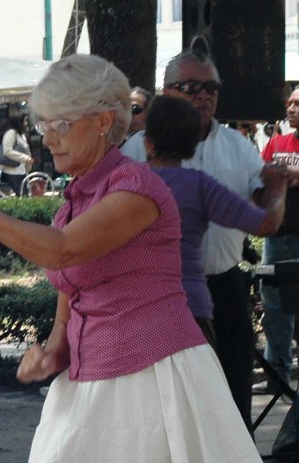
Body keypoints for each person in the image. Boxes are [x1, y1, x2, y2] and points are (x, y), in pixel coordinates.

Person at [0, 54, 260, 462]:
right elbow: (70, 293)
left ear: (102, 121)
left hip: (153, 376)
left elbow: (62, 249)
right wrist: (52, 352)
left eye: (60, 123)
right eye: (43, 125)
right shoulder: (77, 198)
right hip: (91, 380)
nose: (48, 138)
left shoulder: (138, 188)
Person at [121, 49, 266, 429]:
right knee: (165, 408)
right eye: (191, 86)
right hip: (156, 295)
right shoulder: (135, 151)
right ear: (167, 91)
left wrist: (278, 185)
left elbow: (261, 206)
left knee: (233, 398)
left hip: (224, 287)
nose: (204, 95)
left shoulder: (238, 144)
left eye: (211, 87)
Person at [143, 95, 287, 344]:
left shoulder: (128, 182)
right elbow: (267, 224)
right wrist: (278, 190)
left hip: (137, 309)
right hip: (190, 310)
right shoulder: (199, 187)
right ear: (191, 145)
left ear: (147, 143)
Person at [254, 86, 299, 396]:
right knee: (275, 309)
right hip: (278, 237)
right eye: (291, 102)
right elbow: (259, 173)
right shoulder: (277, 142)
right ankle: (276, 376)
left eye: (298, 103)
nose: (291, 108)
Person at [0, 115, 34, 195]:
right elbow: (7, 151)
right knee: (22, 195)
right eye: (24, 121)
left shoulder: (20, 135)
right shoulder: (11, 133)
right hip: (13, 171)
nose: (26, 124)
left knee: (24, 194)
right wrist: (25, 158)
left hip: (22, 171)